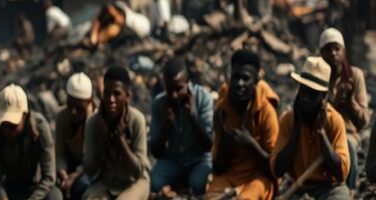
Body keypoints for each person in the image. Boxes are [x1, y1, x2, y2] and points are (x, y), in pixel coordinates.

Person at [272, 56, 350, 200]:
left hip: (329, 190)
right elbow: (277, 170)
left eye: (313, 95)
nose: (305, 99)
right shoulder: (289, 119)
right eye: (303, 92)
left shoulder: (335, 121)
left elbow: (341, 174)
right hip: (298, 187)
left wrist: (321, 133)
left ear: (324, 97)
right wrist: (296, 130)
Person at [207, 49, 279, 200]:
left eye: (245, 79)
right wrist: (226, 145)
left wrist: (251, 144)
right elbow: (218, 167)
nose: (240, 84)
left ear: (256, 82)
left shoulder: (266, 112)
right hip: (232, 176)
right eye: (236, 77)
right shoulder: (223, 109)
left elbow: (276, 168)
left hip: (258, 179)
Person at [0, 84, 61, 200]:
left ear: (25, 116)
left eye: (13, 126)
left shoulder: (40, 128)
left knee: (55, 196)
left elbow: (49, 177)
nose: (8, 132)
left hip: (35, 188)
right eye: (5, 126)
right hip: (11, 188)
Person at [83, 66, 150, 200]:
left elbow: (137, 171)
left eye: (117, 94)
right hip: (106, 184)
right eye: (107, 93)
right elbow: (89, 169)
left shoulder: (137, 120)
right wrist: (102, 137)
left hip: (134, 182)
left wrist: (121, 141)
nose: (111, 100)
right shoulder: (93, 123)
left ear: (127, 96)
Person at [148, 57, 213, 196]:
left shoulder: (203, 98)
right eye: (169, 89)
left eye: (179, 89)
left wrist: (193, 118)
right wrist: (167, 126)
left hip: (199, 160)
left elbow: (209, 145)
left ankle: (183, 186)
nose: (174, 95)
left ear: (188, 82)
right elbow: (156, 152)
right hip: (173, 160)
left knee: (199, 183)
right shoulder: (159, 104)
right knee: (154, 181)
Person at [318, 28, 369, 189]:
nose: (333, 53)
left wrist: (350, 101)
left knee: (348, 147)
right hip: (322, 133)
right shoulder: (317, 77)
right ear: (321, 53)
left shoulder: (355, 76)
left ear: (344, 51)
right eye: (328, 49)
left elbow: (363, 122)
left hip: (348, 133)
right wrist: (334, 102)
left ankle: (350, 190)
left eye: (337, 48)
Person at [54, 73, 94, 200]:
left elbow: (93, 159)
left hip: (89, 169)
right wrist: (63, 173)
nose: (73, 112)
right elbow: (59, 153)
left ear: (89, 102)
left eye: (79, 108)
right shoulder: (62, 117)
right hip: (69, 166)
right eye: (70, 105)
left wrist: (75, 176)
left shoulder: (95, 121)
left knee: (82, 187)